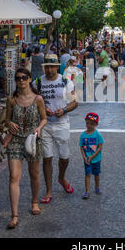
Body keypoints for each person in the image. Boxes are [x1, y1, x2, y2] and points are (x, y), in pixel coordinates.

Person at [5, 68, 47, 229]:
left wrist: (39, 128)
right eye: (18, 78)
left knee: (34, 173)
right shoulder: (11, 100)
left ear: (29, 79)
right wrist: (9, 124)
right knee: (14, 176)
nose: (21, 80)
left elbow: (44, 119)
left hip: (33, 139)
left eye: (24, 77)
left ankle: (34, 202)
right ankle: (14, 215)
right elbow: (6, 120)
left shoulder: (38, 99)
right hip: (15, 140)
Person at [34, 54, 78, 205]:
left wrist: (64, 110)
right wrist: (42, 109)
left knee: (64, 157)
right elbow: (33, 101)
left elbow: (74, 102)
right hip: (45, 124)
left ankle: (61, 177)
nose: (50, 69)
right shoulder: (38, 82)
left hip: (62, 123)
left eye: (52, 66)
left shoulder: (66, 82)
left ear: (57, 67)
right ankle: (49, 190)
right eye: (47, 66)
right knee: (47, 158)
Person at [79, 113, 104, 199]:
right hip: (87, 159)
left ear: (96, 125)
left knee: (96, 174)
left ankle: (97, 187)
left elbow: (100, 147)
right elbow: (81, 147)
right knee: (87, 174)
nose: (89, 125)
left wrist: (92, 156)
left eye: (92, 124)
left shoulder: (98, 135)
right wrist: (84, 157)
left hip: (96, 159)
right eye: (87, 123)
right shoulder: (83, 135)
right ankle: (87, 191)